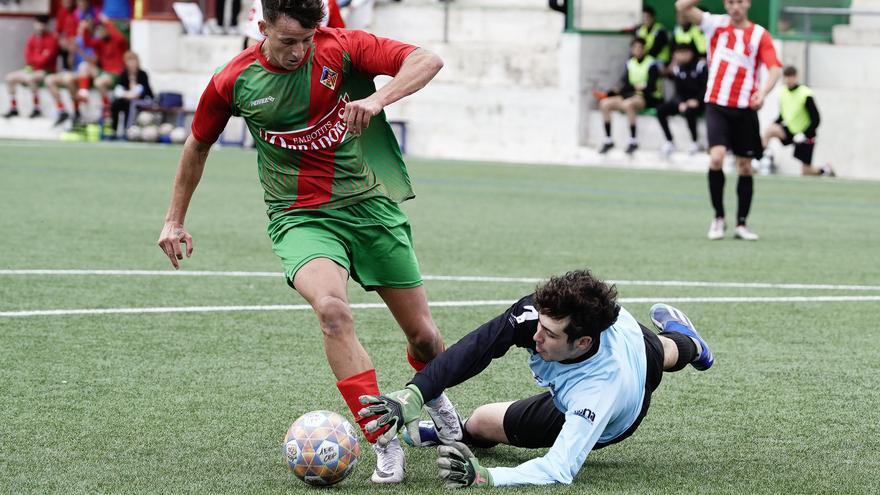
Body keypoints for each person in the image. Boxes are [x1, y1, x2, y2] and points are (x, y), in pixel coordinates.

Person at [155, 0, 460, 484]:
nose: (300, 51)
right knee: (332, 311)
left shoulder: (340, 47)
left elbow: (427, 60)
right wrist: (174, 220)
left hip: (371, 208)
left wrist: (378, 100)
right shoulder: (233, 80)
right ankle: (382, 439)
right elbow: (198, 144)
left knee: (424, 337)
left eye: (306, 40)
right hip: (300, 217)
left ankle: (437, 401)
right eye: (288, 41)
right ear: (262, 27)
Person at [358, 269, 714, 487]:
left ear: (583, 341)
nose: (536, 337)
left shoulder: (596, 395)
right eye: (538, 326)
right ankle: (690, 343)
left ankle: (690, 344)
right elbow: (479, 346)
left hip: (621, 408)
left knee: (661, 354)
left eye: (550, 335)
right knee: (480, 421)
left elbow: (557, 470)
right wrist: (416, 393)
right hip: (625, 332)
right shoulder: (545, 314)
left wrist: (488, 477)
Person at [677, 0, 782, 241]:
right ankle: (718, 218)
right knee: (716, 158)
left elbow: (774, 69)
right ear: (726, 4)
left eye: (740, 1)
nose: (736, 7)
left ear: (748, 4)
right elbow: (682, 6)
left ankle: (742, 224)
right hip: (717, 104)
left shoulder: (759, 34)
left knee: (745, 166)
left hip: (745, 108)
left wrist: (763, 92)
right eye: (731, 1)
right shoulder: (715, 24)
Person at [760, 66, 833, 177]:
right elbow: (783, 115)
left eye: (791, 77)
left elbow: (816, 119)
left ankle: (825, 170)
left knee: (806, 171)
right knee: (770, 130)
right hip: (790, 131)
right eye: (787, 77)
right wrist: (775, 122)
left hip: (805, 135)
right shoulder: (783, 92)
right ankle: (760, 159)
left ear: (796, 77)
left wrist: (804, 134)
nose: (789, 80)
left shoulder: (805, 93)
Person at [597, 37, 662, 155]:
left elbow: (650, 87)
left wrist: (634, 88)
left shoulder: (651, 63)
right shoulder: (630, 63)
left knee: (629, 105)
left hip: (646, 97)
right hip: (629, 94)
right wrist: (615, 91)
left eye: (640, 47)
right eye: (635, 47)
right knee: (604, 103)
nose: (638, 50)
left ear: (644, 49)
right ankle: (608, 139)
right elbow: (625, 83)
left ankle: (633, 140)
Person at [656, 43, 707, 156]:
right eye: (677, 53)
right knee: (661, 110)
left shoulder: (700, 66)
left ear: (690, 54)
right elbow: (678, 90)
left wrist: (697, 100)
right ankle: (669, 141)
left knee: (689, 112)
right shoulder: (678, 69)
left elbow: (706, 87)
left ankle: (695, 142)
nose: (679, 56)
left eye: (682, 53)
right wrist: (680, 102)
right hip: (684, 101)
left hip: (700, 101)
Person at [3, 15, 59, 119]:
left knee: (31, 78)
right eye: (38, 24)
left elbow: (45, 60)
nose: (40, 27)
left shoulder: (51, 39)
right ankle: (14, 108)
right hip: (31, 69)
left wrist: (35, 59)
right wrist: (38, 58)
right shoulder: (32, 39)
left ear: (46, 26)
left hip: (46, 71)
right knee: (9, 78)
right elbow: (28, 58)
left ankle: (36, 108)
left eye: (42, 24)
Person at [78, 13, 129, 121]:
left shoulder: (117, 41)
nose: (99, 33)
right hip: (103, 72)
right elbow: (87, 43)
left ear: (107, 30)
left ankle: (108, 107)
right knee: (84, 66)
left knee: (98, 82)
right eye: (98, 31)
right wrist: (85, 29)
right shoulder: (100, 42)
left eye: (102, 30)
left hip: (115, 74)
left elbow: (121, 38)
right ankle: (83, 92)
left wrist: (107, 22)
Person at [242, 0, 344, 49]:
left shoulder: (328, 3)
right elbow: (253, 42)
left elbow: (340, 41)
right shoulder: (267, 3)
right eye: (288, 40)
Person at [107, 51, 153, 138]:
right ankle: (113, 130)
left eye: (134, 61)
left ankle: (127, 130)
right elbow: (118, 91)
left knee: (131, 103)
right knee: (116, 104)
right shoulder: (124, 74)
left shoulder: (142, 74)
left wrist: (128, 92)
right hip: (128, 99)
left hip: (143, 100)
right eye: (129, 61)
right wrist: (128, 94)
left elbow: (138, 93)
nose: (132, 63)